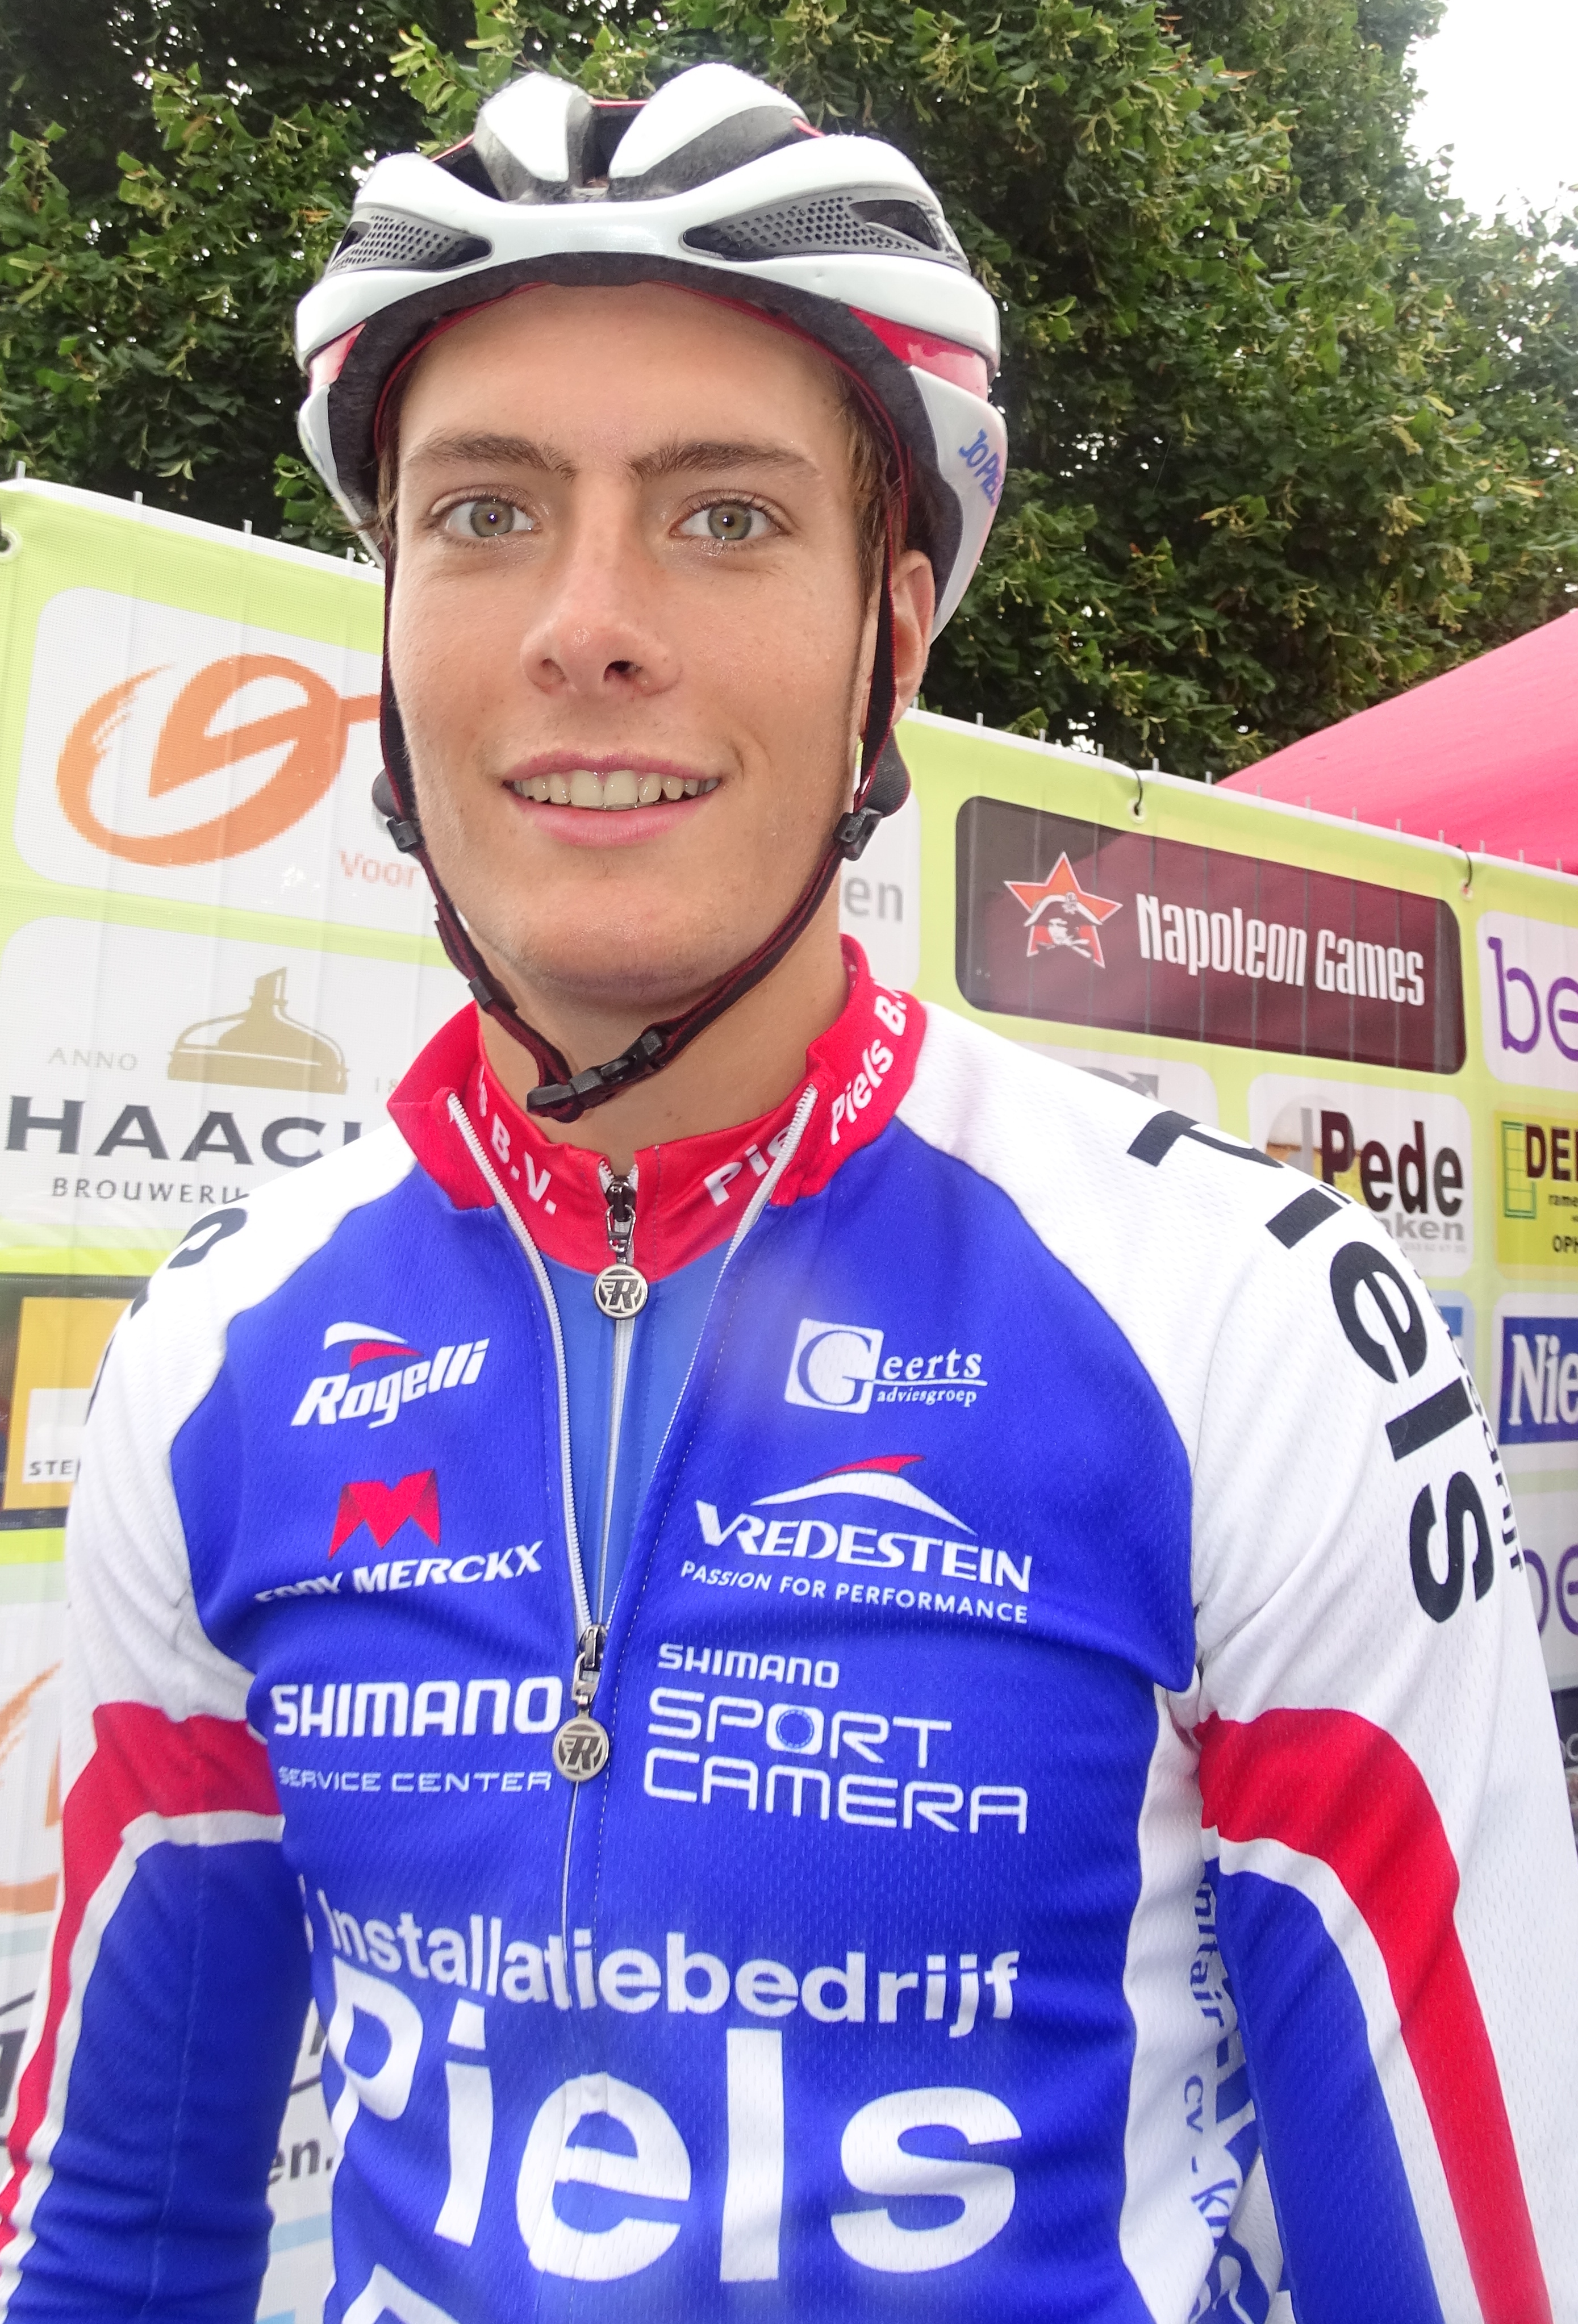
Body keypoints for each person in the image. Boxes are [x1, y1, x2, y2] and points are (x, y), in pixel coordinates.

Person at [2, 57, 1576, 2324]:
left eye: (724, 516)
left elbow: (1472, 2266)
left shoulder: (1235, 1324)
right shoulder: (217, 1351)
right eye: (483, 511)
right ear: (391, 628)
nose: (586, 623)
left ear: (893, 639)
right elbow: (117, 2239)